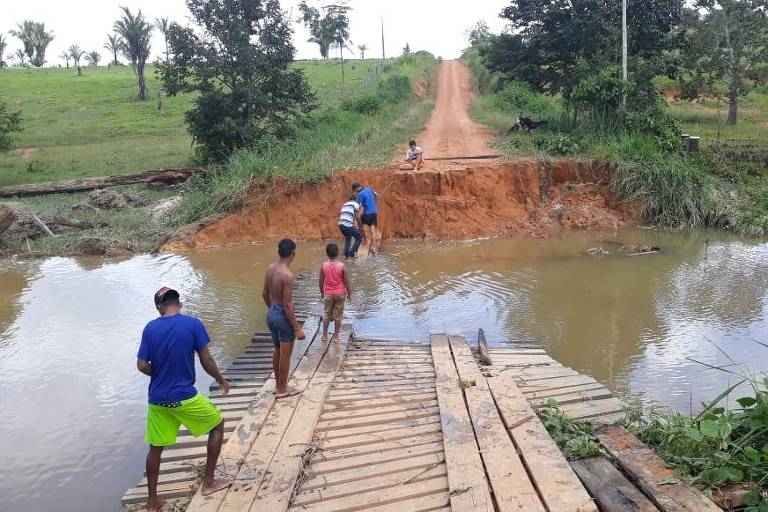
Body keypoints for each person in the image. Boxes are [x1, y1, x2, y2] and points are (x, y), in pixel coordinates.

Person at [137, 287, 231, 512]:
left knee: (156, 448)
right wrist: (221, 380)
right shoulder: (192, 324)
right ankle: (208, 483)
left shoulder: (150, 328)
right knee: (217, 425)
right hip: (183, 396)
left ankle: (152, 502)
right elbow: (206, 359)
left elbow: (141, 365)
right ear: (178, 304)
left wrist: (159, 375)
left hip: (157, 399)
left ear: (159, 307)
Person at [262, 239, 306, 399]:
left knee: (277, 350)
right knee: (285, 355)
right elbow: (287, 305)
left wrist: (272, 312)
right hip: (281, 315)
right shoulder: (287, 276)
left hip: (271, 313)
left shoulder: (270, 269)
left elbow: (264, 294)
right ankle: (282, 390)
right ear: (293, 254)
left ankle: (278, 384)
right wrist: (297, 328)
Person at [319, 243, 352, 341]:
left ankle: (324, 335)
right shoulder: (342, 266)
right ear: (337, 253)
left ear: (327, 253)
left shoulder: (323, 265)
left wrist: (321, 292)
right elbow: (347, 281)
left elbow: (320, 281)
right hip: (340, 294)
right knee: (338, 316)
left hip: (328, 293)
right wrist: (350, 293)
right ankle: (336, 336)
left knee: (326, 314)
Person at [352, 182, 381, 255]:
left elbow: (357, 205)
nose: (355, 192)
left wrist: (356, 217)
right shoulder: (369, 189)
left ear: (356, 188)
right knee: (373, 230)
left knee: (366, 231)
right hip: (374, 213)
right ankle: (373, 247)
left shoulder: (360, 194)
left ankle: (367, 246)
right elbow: (376, 195)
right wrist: (375, 203)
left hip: (366, 214)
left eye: (355, 190)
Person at [338, 193, 363, 259]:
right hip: (347, 225)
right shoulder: (355, 204)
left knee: (348, 238)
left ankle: (346, 256)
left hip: (341, 225)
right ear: (356, 199)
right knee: (359, 237)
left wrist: (354, 225)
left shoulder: (345, 204)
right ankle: (352, 254)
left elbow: (350, 215)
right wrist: (360, 227)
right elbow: (357, 217)